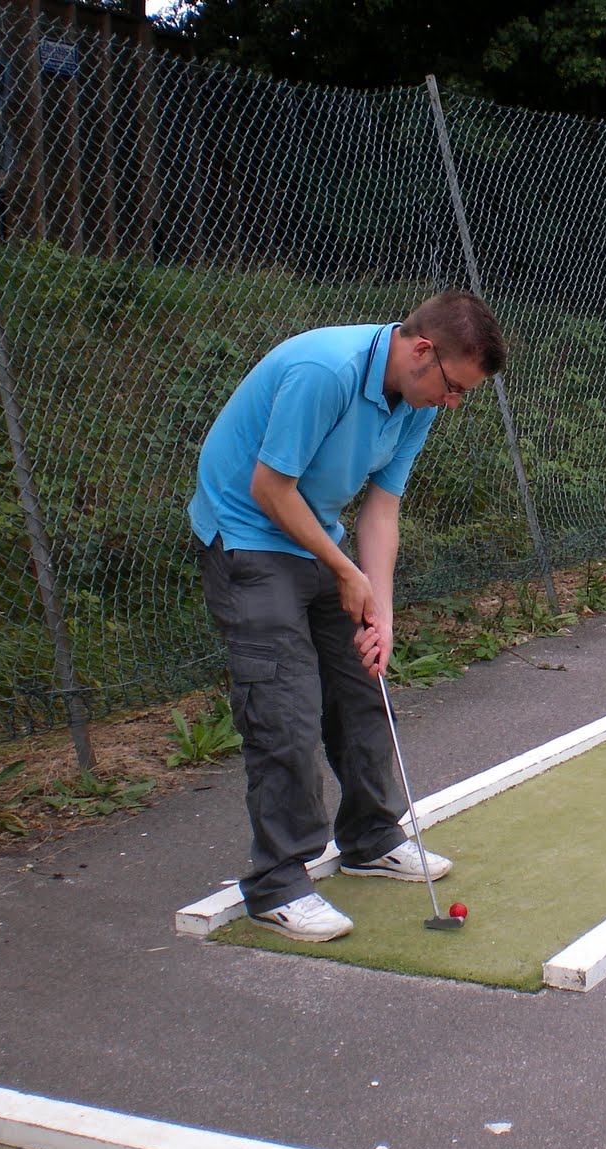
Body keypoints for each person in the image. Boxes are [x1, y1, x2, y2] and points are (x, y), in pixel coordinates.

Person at [189, 291, 506, 942]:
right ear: (422, 350)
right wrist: (344, 571)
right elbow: (269, 488)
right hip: (248, 534)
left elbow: (381, 509)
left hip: (315, 534)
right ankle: (277, 884)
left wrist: (379, 611)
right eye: (452, 386)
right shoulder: (326, 371)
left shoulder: (416, 399)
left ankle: (369, 837)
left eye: (462, 394)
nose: (453, 402)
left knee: (363, 686)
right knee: (285, 708)